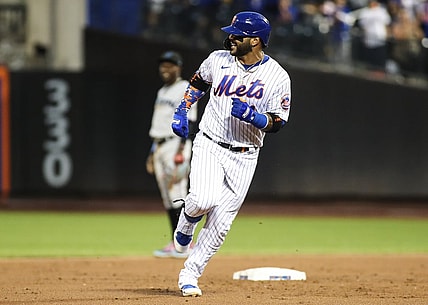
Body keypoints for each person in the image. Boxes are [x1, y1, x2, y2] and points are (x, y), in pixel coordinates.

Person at [170, 11, 291, 297]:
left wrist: (255, 117)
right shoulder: (218, 59)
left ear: (256, 41)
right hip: (210, 142)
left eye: (238, 34)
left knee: (221, 225)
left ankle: (190, 273)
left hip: (245, 155)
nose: (231, 38)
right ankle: (187, 219)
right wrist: (182, 109)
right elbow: (199, 83)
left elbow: (279, 121)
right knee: (202, 199)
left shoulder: (278, 77)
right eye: (232, 32)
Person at [147, 51, 197, 258]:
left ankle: (187, 243)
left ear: (179, 68)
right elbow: (158, 124)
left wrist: (181, 150)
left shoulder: (184, 87)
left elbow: (190, 119)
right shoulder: (162, 91)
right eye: (163, 65)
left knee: (177, 192)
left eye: (170, 65)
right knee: (168, 197)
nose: (165, 69)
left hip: (175, 144)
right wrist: (152, 152)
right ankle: (175, 242)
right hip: (159, 145)